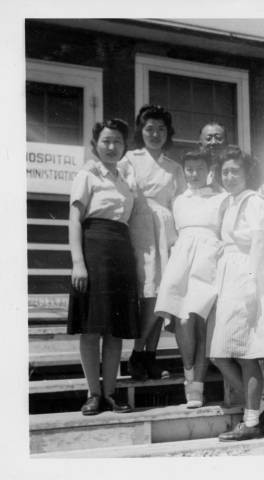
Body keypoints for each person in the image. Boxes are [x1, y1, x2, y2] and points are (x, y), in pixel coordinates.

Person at [67, 119, 140, 416]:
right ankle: (93, 394)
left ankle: (110, 393)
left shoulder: (124, 179)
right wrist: (78, 263)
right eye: (106, 141)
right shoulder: (87, 174)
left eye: (118, 142)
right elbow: (75, 219)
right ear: (95, 144)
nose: (112, 147)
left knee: (114, 329)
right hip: (93, 249)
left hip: (121, 252)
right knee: (91, 327)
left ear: (124, 147)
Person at [206, 145, 264, 441]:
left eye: (235, 170)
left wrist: (250, 279)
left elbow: (259, 243)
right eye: (224, 171)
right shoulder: (231, 201)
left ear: (247, 172)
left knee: (248, 353)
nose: (230, 175)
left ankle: (251, 422)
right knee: (220, 353)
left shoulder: (255, 201)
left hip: (246, 275)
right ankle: (257, 413)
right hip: (229, 276)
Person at [155, 151, 228, 408]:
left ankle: (197, 386)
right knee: (183, 320)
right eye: (189, 169)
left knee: (200, 321)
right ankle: (189, 376)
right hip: (182, 263)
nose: (193, 173)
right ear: (183, 171)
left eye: (199, 168)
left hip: (209, 262)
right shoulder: (178, 201)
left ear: (208, 170)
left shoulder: (221, 198)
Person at [118, 105, 186, 380]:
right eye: (149, 129)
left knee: (164, 294)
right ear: (141, 131)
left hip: (167, 233)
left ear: (167, 133)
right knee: (149, 295)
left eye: (161, 129)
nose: (155, 134)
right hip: (141, 229)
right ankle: (137, 352)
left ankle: (148, 356)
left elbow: (181, 202)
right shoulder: (130, 160)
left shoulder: (174, 167)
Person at [198, 121, 228, 191]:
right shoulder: (192, 171)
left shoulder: (234, 170)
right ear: (200, 145)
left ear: (226, 143)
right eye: (208, 139)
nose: (214, 142)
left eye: (219, 138)